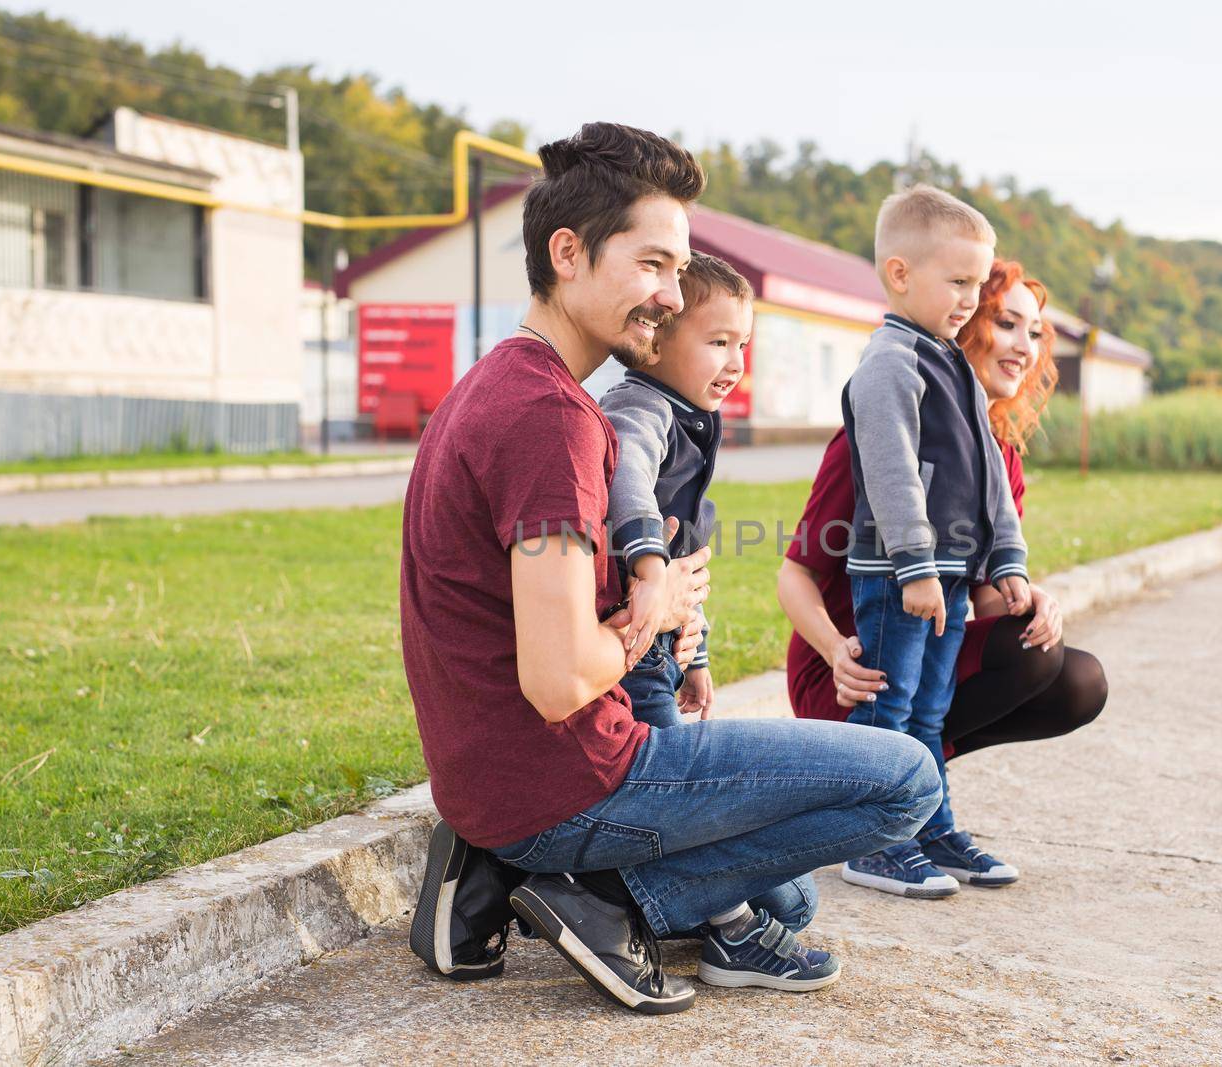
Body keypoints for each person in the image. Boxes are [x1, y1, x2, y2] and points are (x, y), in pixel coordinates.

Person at [400, 122, 942, 1016]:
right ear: (567, 254)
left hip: (497, 785)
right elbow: (559, 676)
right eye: (652, 265)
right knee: (908, 779)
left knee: (790, 897)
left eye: (678, 270)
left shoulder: (496, 382)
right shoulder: (550, 419)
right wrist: (658, 602)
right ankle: (603, 902)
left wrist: (662, 621)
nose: (669, 294)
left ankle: (503, 871)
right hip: (569, 782)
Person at [778, 257, 1108, 889]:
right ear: (962, 324)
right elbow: (794, 574)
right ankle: (870, 817)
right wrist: (834, 651)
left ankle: (923, 811)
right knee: (959, 673)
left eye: (1034, 333)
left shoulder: (1001, 459)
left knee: (1073, 676)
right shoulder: (883, 437)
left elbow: (975, 596)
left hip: (931, 650)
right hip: (853, 670)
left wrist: (1030, 597)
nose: (1024, 346)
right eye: (1006, 323)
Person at [837, 186, 1032, 899]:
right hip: (898, 576)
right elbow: (891, 475)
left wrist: (1007, 558)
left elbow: (987, 480)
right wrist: (915, 567)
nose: (969, 299)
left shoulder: (954, 365)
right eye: (957, 282)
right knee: (889, 709)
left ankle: (928, 824)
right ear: (899, 273)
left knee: (928, 711)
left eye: (976, 284)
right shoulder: (890, 361)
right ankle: (872, 841)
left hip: (947, 575)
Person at [600, 251, 751, 726]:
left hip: (666, 631)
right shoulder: (641, 407)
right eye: (719, 342)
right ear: (655, 343)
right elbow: (629, 475)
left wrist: (697, 653)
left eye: (742, 344)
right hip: (634, 626)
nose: (735, 363)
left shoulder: (692, 418)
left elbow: (685, 549)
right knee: (661, 764)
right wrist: (650, 569)